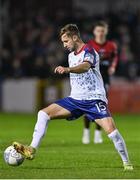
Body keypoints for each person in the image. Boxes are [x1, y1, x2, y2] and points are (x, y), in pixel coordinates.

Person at [13, 24, 133, 170]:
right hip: (75, 100)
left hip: (94, 99)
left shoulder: (89, 50)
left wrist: (67, 69)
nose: (64, 45)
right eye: (63, 42)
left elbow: (85, 67)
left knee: (112, 133)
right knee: (43, 113)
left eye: (66, 41)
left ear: (75, 37)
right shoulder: (70, 56)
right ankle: (31, 149)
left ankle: (127, 163)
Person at [82, 21, 118, 144]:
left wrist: (113, 66)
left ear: (106, 32)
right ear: (94, 32)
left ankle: (98, 134)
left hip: (105, 78)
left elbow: (115, 58)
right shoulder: (89, 45)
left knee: (102, 105)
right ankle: (86, 132)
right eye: (98, 31)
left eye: (102, 31)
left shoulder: (111, 45)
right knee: (88, 104)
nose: (100, 33)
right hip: (91, 78)